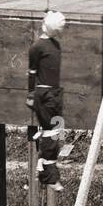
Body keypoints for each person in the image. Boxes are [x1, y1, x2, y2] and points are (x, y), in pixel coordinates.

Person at [27, 11, 67, 191]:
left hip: (55, 94)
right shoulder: (37, 47)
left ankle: (46, 171)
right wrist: (30, 95)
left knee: (56, 131)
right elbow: (32, 73)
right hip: (44, 95)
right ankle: (49, 176)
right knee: (51, 133)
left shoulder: (55, 44)